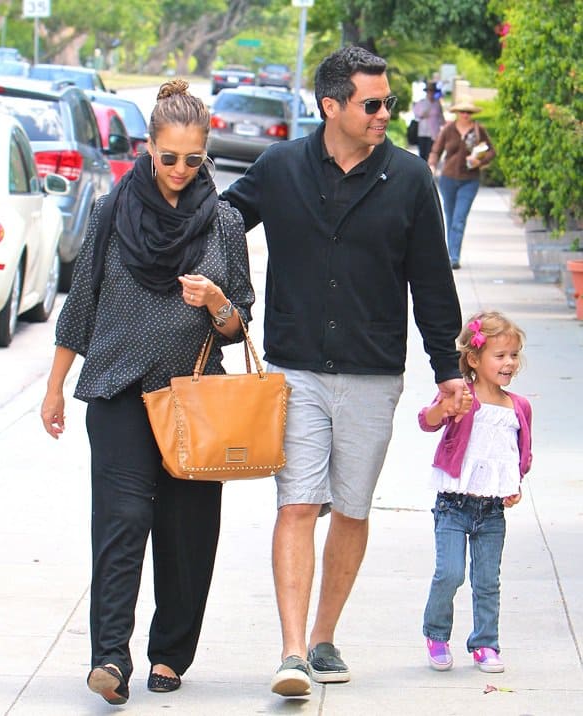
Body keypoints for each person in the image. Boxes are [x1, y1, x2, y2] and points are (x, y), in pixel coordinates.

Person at [221, 45, 465, 698]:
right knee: (296, 502)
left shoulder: (410, 180)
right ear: (331, 106)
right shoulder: (279, 169)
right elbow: (218, 223)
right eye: (373, 103)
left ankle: (325, 636)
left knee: (352, 508)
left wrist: (450, 369)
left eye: (389, 101)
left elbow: (433, 285)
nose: (388, 112)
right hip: (296, 368)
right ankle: (293, 650)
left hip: (372, 373)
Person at [40, 79, 254, 706]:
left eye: (195, 159)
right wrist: (55, 386)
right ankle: (110, 657)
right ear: (149, 149)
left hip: (193, 399)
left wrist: (217, 302)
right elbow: (81, 306)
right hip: (116, 391)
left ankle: (170, 653)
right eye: (170, 158)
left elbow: (241, 324)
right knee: (122, 522)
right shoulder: (111, 210)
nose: (181, 170)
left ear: (206, 154)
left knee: (187, 533)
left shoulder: (224, 221)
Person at [419, 311, 532, 674]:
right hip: (453, 504)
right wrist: (444, 407)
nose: (509, 363)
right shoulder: (462, 398)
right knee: (449, 573)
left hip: (492, 509)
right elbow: (427, 421)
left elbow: (519, 452)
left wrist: (515, 483)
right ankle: (436, 634)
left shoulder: (518, 407)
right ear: (474, 358)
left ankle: (485, 643)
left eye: (513, 355)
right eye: (500, 356)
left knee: (487, 580)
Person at [427, 96, 496, 269]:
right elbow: (436, 149)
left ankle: (454, 257)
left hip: (469, 180)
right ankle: (449, 254)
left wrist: (480, 161)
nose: (465, 114)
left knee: (459, 218)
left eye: (469, 112)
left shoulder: (478, 130)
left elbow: (491, 152)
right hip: (448, 179)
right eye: (462, 111)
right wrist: (432, 165)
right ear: (457, 113)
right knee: (449, 218)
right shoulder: (448, 130)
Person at [412, 81, 445, 161]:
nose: (431, 93)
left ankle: (429, 171)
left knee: (430, 154)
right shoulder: (421, 102)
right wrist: (424, 113)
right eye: (429, 91)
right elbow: (417, 115)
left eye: (432, 91)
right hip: (423, 132)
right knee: (422, 154)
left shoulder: (437, 104)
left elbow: (441, 117)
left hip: (434, 133)